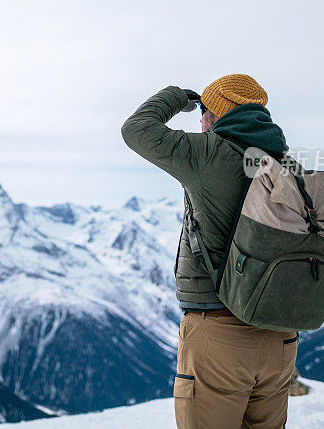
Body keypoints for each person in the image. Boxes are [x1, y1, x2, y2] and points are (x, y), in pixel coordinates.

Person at [120, 74, 298, 429]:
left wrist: (176, 97)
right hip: (281, 338)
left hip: (219, 336)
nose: (200, 119)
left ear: (215, 114)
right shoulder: (284, 164)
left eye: (203, 110)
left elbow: (136, 129)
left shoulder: (209, 154)